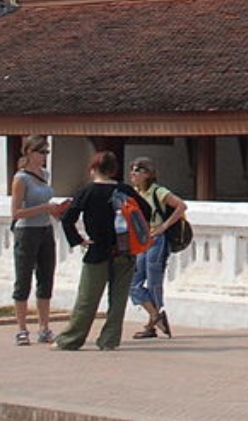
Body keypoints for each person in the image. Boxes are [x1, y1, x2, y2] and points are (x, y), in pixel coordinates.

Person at [53, 150, 149, 351]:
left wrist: (79, 240)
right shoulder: (125, 190)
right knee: (118, 301)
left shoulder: (87, 191)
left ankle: (71, 339)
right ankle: (109, 340)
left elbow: (68, 219)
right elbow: (146, 211)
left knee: (87, 300)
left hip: (97, 250)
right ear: (113, 169)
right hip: (124, 250)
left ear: (93, 169)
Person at [8, 136, 69, 346]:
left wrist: (57, 211)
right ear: (29, 153)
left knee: (46, 277)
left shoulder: (45, 175)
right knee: (23, 278)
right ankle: (21, 328)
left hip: (45, 229)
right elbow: (16, 212)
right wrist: (45, 208)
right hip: (26, 232)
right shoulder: (21, 179)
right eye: (41, 152)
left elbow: (47, 203)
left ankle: (44, 326)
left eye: (46, 153)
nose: (44, 157)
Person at [126, 157, 187, 339]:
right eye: (132, 170)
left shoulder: (158, 192)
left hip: (156, 240)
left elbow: (181, 206)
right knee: (133, 282)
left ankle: (153, 320)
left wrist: (164, 227)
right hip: (142, 240)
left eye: (137, 170)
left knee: (154, 281)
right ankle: (155, 316)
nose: (133, 174)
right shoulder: (136, 193)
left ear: (147, 174)